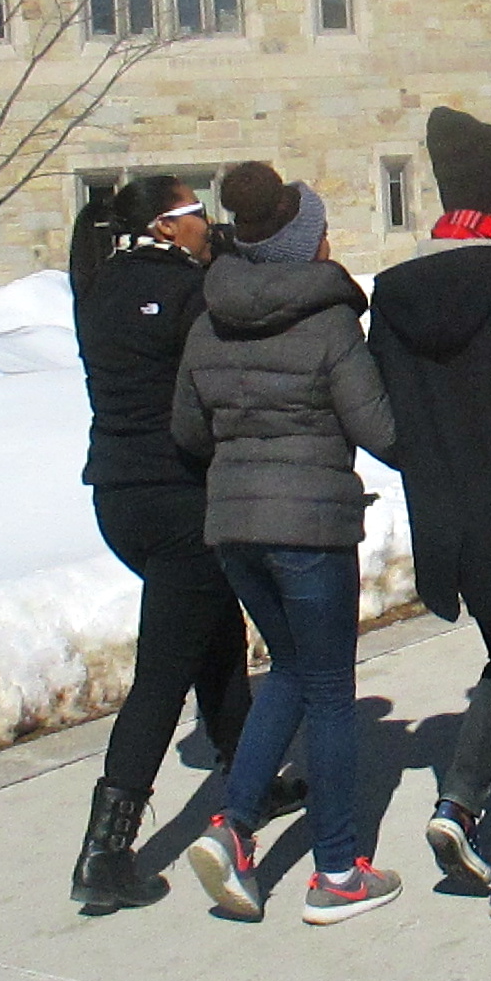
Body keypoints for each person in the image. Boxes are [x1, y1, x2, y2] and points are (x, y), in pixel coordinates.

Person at [175, 163, 402, 926]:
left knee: (289, 671)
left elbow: (186, 428)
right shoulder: (330, 321)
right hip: (309, 528)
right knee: (332, 691)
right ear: (306, 244)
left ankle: (235, 827)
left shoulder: (208, 320)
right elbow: (380, 429)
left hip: (233, 526)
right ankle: (336, 869)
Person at [65, 177, 300, 913]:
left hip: (117, 498)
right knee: (163, 674)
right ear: (166, 228)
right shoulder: (189, 294)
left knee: (213, 631)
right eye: (197, 214)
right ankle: (105, 849)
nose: (209, 224)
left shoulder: (96, 288)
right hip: (178, 499)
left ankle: (247, 772)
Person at [367, 108, 491, 918]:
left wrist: (433, 465)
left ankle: (457, 801)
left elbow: (383, 416)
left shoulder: (396, 291)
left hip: (446, 520)